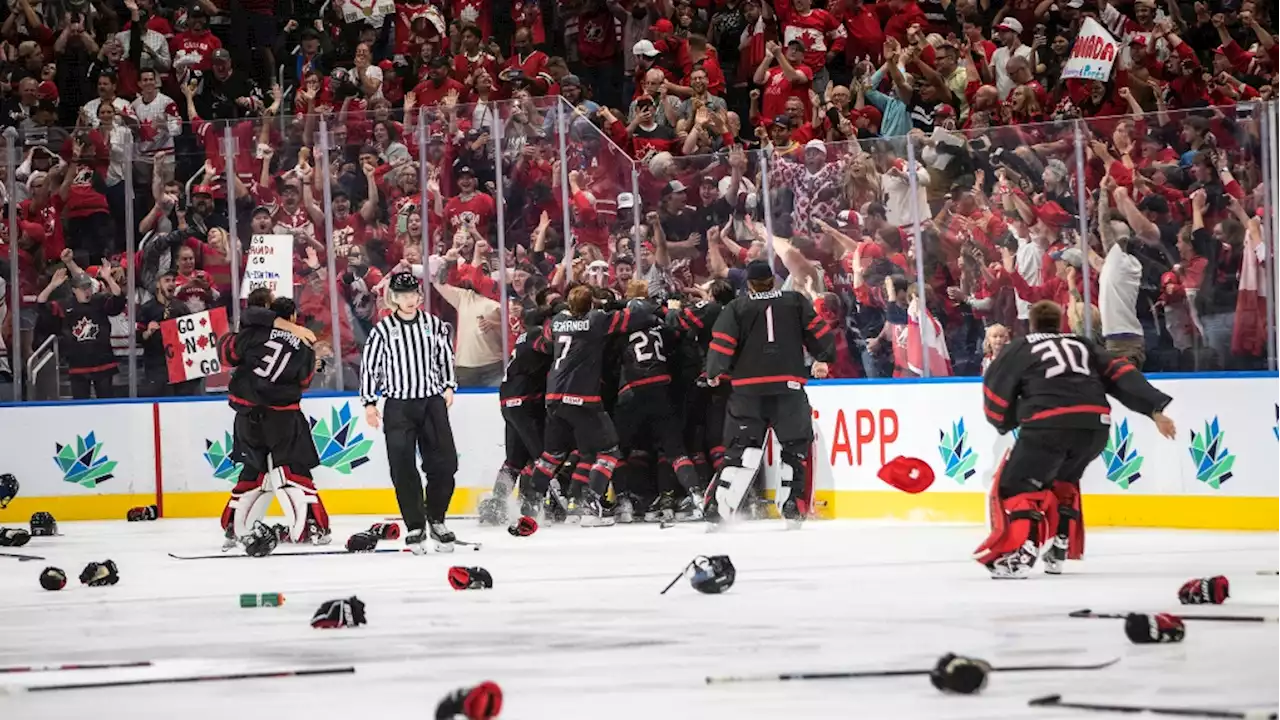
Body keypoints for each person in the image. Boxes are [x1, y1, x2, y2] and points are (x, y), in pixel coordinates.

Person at [978, 300, 1177, 579]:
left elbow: (996, 387)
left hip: (1048, 424)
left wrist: (1003, 420)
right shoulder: (1083, 344)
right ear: (1059, 323)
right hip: (1094, 426)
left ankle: (1023, 553)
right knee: (1063, 481)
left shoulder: (1022, 346)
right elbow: (1121, 373)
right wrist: (1154, 409)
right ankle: (1059, 548)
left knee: (1017, 485)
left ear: (1032, 324)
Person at [705, 259, 835, 527]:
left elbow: (722, 343)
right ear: (773, 281)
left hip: (746, 391)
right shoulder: (795, 301)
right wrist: (824, 356)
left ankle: (718, 509)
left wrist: (714, 372)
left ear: (749, 284)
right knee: (795, 449)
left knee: (742, 452)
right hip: (788, 387)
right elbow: (819, 333)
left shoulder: (736, 307)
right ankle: (793, 508)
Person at [527, 284, 656, 527]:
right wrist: (615, 304)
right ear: (591, 304)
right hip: (582, 398)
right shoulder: (596, 320)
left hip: (553, 397)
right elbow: (638, 316)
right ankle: (590, 506)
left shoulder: (556, 322)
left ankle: (531, 505)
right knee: (609, 452)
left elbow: (543, 340)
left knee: (551, 455)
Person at [216, 290, 328, 554]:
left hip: (247, 415)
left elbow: (225, 355)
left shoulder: (251, 333)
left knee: (253, 472)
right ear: (291, 317)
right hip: (283, 417)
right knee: (293, 472)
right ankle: (312, 526)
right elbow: (304, 381)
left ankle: (234, 527)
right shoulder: (303, 344)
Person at [360, 271, 460, 554]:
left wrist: (449, 386)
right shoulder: (382, 330)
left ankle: (437, 518)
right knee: (402, 466)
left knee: (445, 464)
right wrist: (370, 403)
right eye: (402, 295)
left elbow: (444, 357)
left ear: (419, 295)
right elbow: (371, 367)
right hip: (399, 406)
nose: (409, 300)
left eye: (412, 294)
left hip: (431, 403)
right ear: (393, 298)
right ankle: (415, 525)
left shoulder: (433, 324)